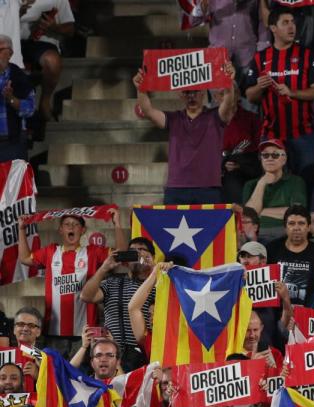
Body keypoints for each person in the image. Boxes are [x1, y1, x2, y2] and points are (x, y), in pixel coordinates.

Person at [18, 213, 126, 355]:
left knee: (79, 375)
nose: (71, 227)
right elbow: (25, 258)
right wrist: (21, 229)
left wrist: (117, 223)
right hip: (54, 331)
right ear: (60, 230)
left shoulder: (92, 252)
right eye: (67, 224)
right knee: (55, 373)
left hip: (85, 333)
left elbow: (122, 253)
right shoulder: (50, 252)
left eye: (76, 225)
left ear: (83, 230)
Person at [134, 62, 237, 204]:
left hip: (209, 188)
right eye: (187, 92)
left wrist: (228, 81)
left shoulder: (216, 116)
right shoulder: (174, 118)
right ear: (181, 95)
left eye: (195, 92)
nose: (191, 96)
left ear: (203, 93)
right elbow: (148, 111)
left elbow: (229, 102)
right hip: (177, 188)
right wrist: (141, 89)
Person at [243, 6, 314, 186]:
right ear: (273, 28)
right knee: (272, 183)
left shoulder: (307, 55)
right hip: (272, 134)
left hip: (304, 133)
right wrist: (259, 87)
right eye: (285, 23)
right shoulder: (260, 58)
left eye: (293, 22)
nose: (291, 27)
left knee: (306, 182)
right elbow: (250, 96)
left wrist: (292, 92)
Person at [79, 237, 155, 371]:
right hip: (111, 353)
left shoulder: (157, 285)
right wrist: (104, 268)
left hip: (144, 352)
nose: (136, 253)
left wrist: (154, 269)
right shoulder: (112, 282)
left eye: (141, 250)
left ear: (151, 256)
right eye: (132, 251)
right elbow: (86, 296)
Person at [243, 138, 307, 241]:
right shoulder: (251, 185)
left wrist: (260, 211)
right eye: (265, 155)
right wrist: (261, 183)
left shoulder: (296, 181)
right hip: (255, 233)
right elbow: (249, 216)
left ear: (284, 159)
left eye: (275, 155)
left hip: (283, 232)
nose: (269, 158)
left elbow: (296, 214)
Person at [266, 205, 314, 304]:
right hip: (276, 311)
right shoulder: (271, 249)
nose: (296, 228)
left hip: (308, 311)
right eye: (291, 223)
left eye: (301, 223)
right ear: (285, 227)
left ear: (308, 227)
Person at [0, 35, 35, 161]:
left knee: (13, 180)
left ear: (10, 53)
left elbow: (29, 110)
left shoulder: (19, 77)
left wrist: (11, 99)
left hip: (11, 141)